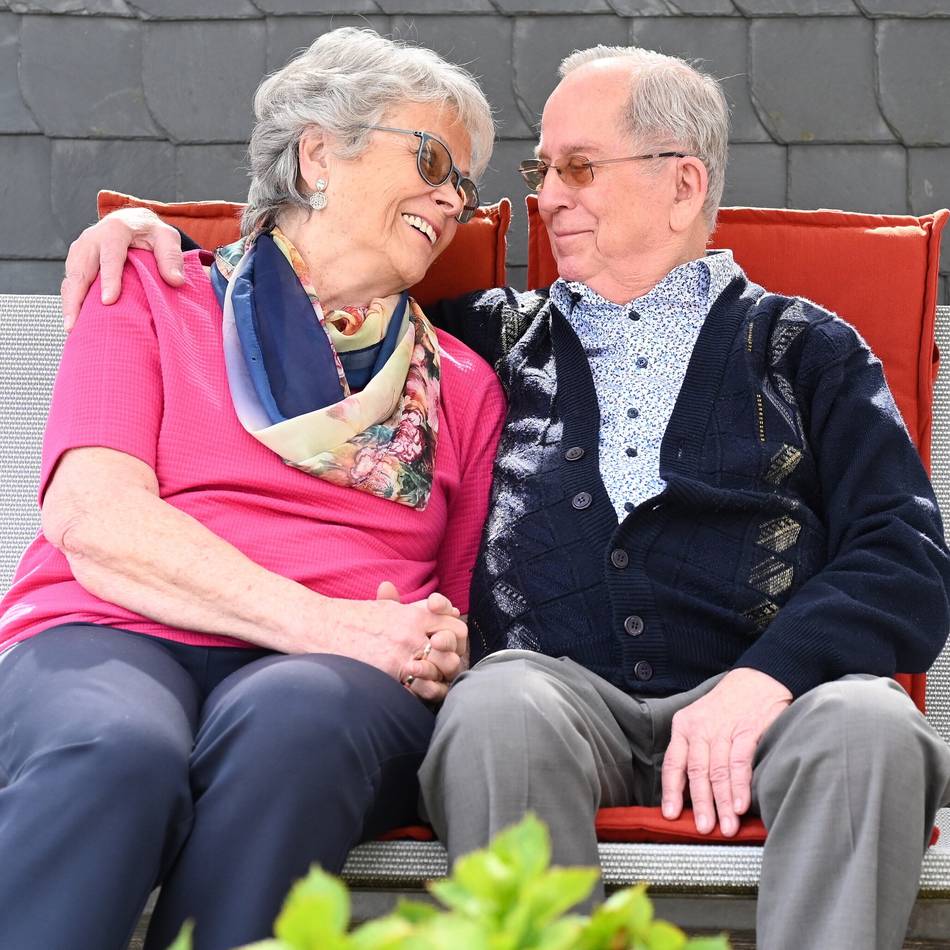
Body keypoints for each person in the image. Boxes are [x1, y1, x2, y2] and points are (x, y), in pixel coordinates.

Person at [62, 44, 950, 950]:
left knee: (875, 726)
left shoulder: (806, 348)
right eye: (541, 171)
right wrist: (154, 238)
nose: (547, 198)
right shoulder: (487, 341)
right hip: (550, 705)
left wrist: (769, 678)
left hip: (774, 704)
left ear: (683, 185)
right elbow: (312, 291)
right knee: (495, 707)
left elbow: (905, 557)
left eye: (578, 168)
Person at [0, 27, 505, 950]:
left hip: (336, 688)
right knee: (115, 750)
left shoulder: (468, 387)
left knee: (294, 726)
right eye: (433, 160)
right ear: (319, 154)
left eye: (465, 187)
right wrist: (326, 622)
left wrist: (444, 644)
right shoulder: (147, 290)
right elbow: (96, 519)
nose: (452, 200)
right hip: (110, 630)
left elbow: (458, 609)